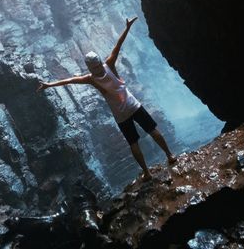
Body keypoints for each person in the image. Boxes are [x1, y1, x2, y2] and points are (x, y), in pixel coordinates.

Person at [37, 17, 176, 180]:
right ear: (99, 61)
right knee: (152, 130)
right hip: (133, 105)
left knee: (133, 143)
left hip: (121, 115)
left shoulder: (90, 78)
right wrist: (127, 27)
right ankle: (170, 155)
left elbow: (69, 80)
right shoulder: (109, 64)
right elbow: (118, 44)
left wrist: (49, 85)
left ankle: (146, 173)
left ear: (89, 66)